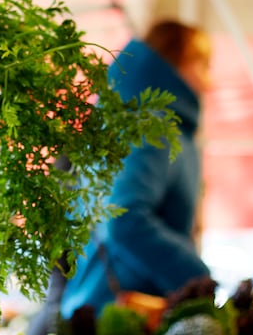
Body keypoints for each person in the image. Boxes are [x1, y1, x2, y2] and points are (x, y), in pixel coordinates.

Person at [57, 19, 213, 323]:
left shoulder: (123, 120)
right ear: (177, 61)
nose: (209, 81)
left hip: (99, 306)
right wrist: (194, 277)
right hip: (122, 313)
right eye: (202, 64)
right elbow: (123, 217)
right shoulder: (151, 126)